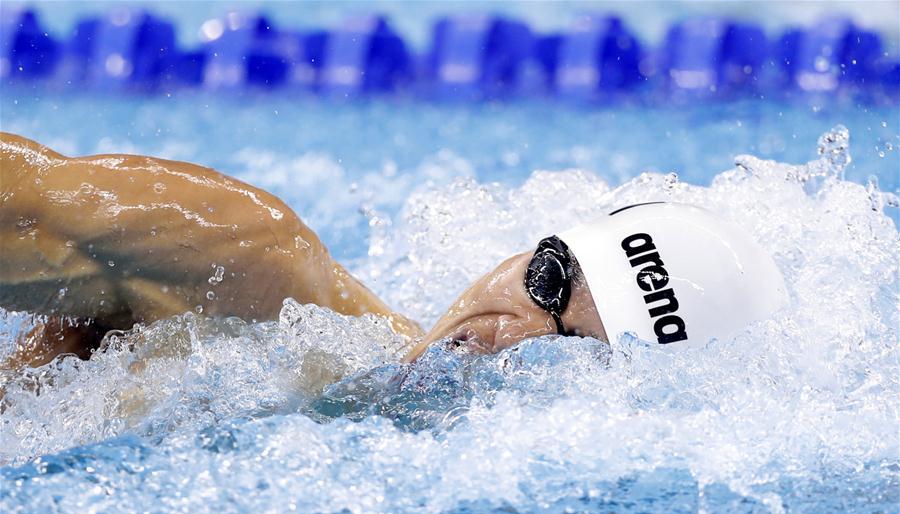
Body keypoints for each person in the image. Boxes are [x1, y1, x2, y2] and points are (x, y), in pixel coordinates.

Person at [0, 132, 788, 378]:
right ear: (526, 248)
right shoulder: (242, 250)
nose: (507, 329)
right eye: (545, 279)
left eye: (573, 344)